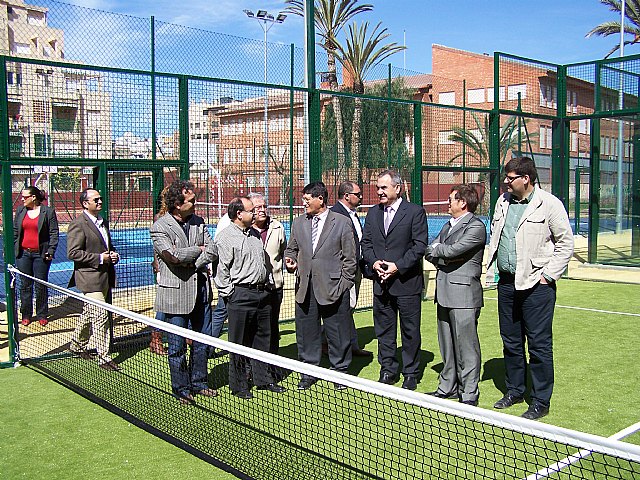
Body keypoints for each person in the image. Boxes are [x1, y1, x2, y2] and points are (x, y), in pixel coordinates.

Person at [486, 157, 574, 420]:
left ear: (526, 178)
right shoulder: (503, 202)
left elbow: (565, 243)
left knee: (538, 345)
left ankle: (540, 400)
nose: (505, 182)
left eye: (510, 177)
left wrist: (548, 276)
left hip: (537, 286)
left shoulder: (549, 204)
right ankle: (514, 390)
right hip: (507, 284)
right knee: (511, 342)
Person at [150, 180, 217, 404]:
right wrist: (197, 252)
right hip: (175, 296)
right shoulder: (160, 226)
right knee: (176, 347)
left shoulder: (199, 221)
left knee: (201, 343)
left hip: (201, 293)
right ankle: (181, 389)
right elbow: (171, 256)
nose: (195, 203)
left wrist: (193, 260)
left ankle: (199, 383)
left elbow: (213, 249)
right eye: (191, 200)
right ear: (178, 204)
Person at [284, 181, 356, 391]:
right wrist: (290, 261)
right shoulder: (298, 223)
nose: (303, 203)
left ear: (320, 199)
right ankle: (309, 371)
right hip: (305, 287)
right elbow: (291, 249)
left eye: (307, 200)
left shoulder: (342, 222)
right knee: (307, 332)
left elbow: (350, 259)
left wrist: (344, 284)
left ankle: (340, 371)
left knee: (337, 332)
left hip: (333, 288)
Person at [361, 170, 428, 390]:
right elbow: (366, 244)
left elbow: (419, 246)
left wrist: (396, 267)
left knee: (410, 331)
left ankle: (410, 373)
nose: (379, 191)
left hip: (407, 284)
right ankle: (388, 369)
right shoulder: (372, 214)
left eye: (384, 187)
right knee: (384, 330)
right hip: (381, 284)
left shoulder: (415, 212)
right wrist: (374, 264)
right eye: (378, 187)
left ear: (397, 188)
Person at [213, 196, 286, 399]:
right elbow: (222, 270)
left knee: (263, 339)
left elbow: (263, 263)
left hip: (262, 294)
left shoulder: (253, 234)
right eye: (251, 210)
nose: (255, 213)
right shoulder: (226, 237)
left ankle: (264, 379)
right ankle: (239, 386)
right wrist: (230, 294)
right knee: (238, 343)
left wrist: (268, 282)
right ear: (239, 214)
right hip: (240, 295)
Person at [426, 184, 486, 406]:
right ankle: (447, 387)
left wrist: (439, 251)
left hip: (464, 295)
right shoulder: (447, 225)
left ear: (463, 202)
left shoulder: (476, 227)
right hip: (443, 293)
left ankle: (469, 393)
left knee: (466, 346)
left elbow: (451, 251)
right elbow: (430, 251)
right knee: (447, 345)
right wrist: (440, 252)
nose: (447, 203)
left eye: (451, 199)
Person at [67, 188, 120, 371]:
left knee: (89, 313)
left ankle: (76, 344)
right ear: (85, 203)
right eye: (95, 199)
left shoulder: (102, 222)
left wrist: (112, 255)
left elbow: (107, 246)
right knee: (101, 315)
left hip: (104, 276)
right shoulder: (78, 224)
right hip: (88, 278)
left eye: (100, 198)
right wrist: (99, 258)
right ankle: (104, 357)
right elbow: (73, 253)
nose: (99, 202)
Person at [330, 181, 372, 357]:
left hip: (356, 268)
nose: (361, 196)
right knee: (342, 308)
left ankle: (351, 344)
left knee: (350, 307)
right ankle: (335, 345)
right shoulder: (334, 214)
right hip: (343, 271)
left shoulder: (353, 214)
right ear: (346, 196)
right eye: (358, 194)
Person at [13, 186, 59, 327]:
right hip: (23, 254)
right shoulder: (21, 211)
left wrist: (50, 251)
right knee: (25, 285)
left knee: (40, 285)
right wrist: (14, 246)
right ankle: (26, 314)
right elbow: (15, 231)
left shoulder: (48, 212)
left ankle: (42, 314)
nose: (22, 199)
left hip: (41, 254)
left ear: (33, 197)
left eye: (25, 197)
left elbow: (53, 233)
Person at [248, 193, 287, 355]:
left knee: (271, 328)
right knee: (251, 330)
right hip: (250, 289)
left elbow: (284, 251)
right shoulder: (243, 229)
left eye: (264, 206)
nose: (262, 210)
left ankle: (271, 366)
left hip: (274, 288)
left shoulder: (277, 227)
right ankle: (249, 367)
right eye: (258, 208)